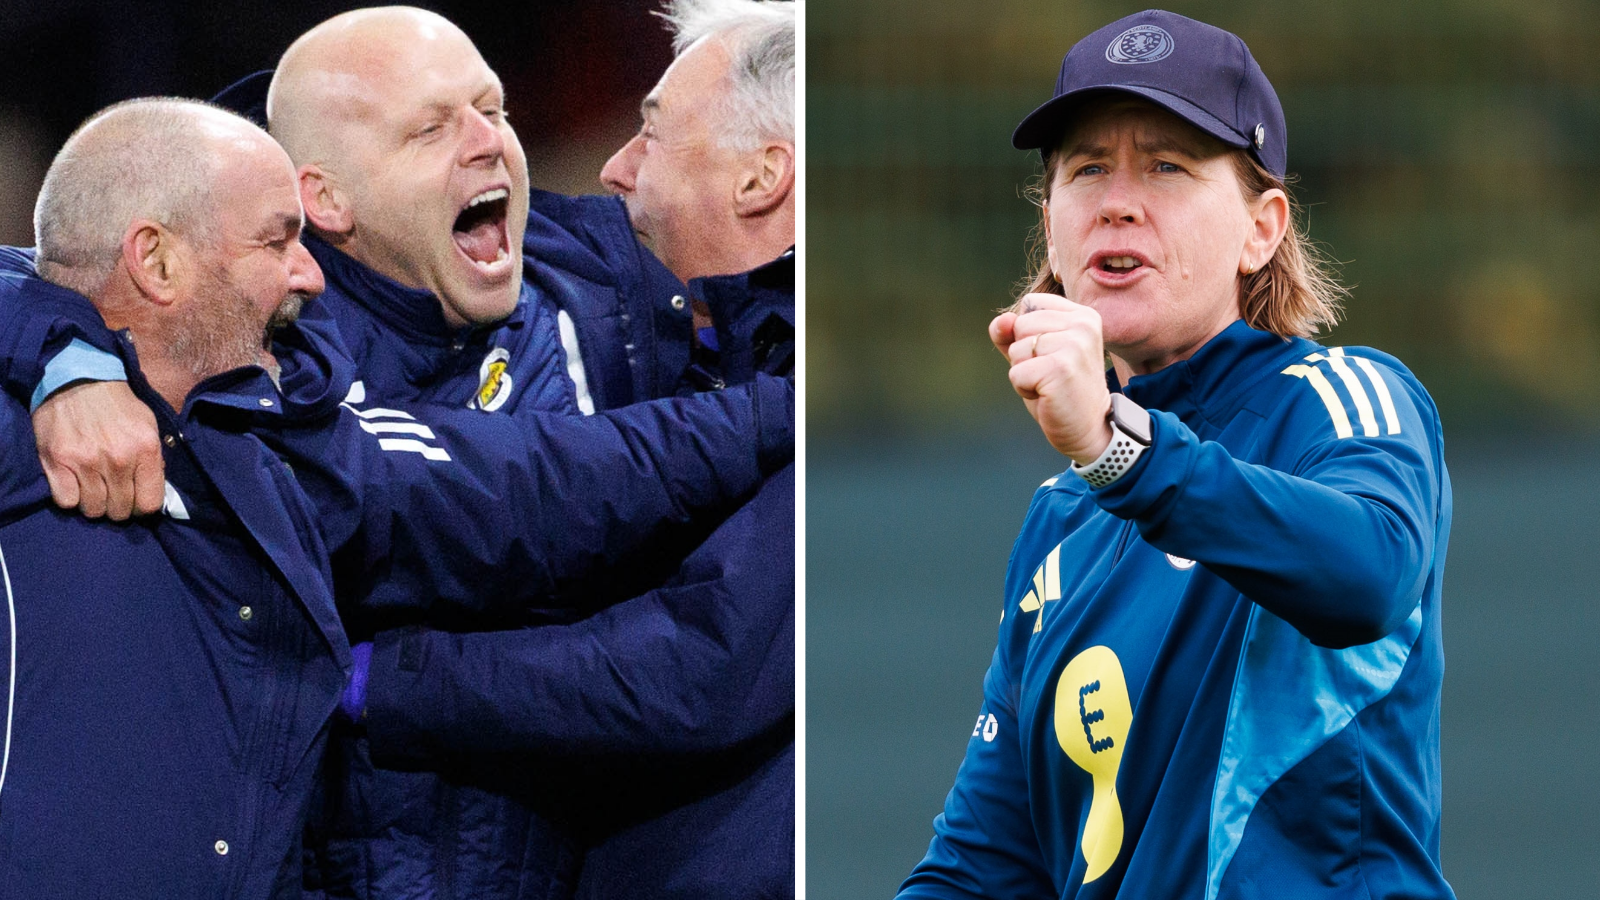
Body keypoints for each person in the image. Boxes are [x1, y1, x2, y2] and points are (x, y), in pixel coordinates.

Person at [19, 4, 797, 898]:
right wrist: (64, 353)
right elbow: (58, 265)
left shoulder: (601, 293)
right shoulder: (262, 323)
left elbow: (700, 655)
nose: (488, 143)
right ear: (326, 199)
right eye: (431, 128)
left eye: (495, 108)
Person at [897, 11, 1454, 900]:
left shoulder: (1341, 398)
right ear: (1052, 224)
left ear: (1261, 229)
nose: (1118, 199)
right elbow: (983, 867)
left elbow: (1372, 572)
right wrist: (1107, 458)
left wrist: (1120, 452)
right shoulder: (1060, 516)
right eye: (1086, 170)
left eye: (1168, 165)